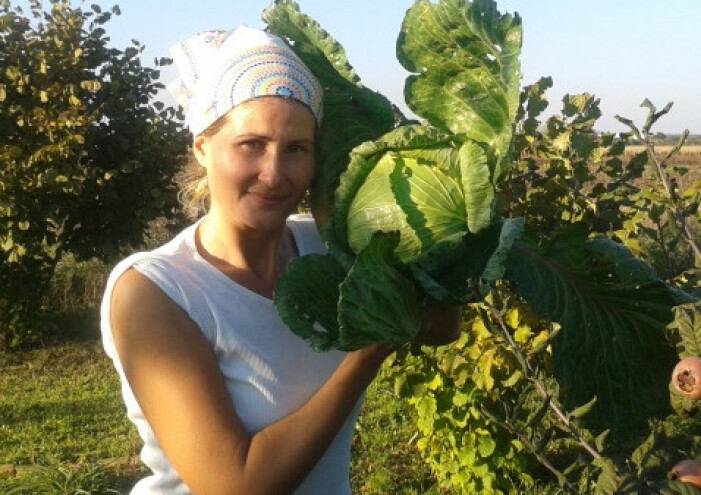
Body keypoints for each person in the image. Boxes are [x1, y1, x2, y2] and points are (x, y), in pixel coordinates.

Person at [100, 25, 460, 494]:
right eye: (251, 144)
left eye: (296, 149)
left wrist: (451, 236)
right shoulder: (155, 290)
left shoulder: (329, 247)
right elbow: (237, 485)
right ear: (203, 147)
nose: (273, 175)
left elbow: (440, 328)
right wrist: (370, 350)